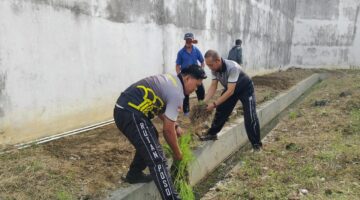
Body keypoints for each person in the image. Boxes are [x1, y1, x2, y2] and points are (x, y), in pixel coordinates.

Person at [113, 65, 207, 200]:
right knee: (157, 159)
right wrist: (177, 154)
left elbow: (159, 107)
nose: (195, 89)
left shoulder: (172, 80)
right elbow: (167, 131)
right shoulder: (177, 93)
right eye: (196, 85)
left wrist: (175, 126)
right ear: (187, 78)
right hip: (129, 113)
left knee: (151, 138)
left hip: (127, 109)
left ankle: (134, 174)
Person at [200, 50, 262, 151]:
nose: (210, 68)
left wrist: (214, 104)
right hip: (231, 88)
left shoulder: (232, 67)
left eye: (210, 65)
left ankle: (256, 145)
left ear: (218, 60)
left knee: (250, 116)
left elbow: (229, 92)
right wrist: (204, 102)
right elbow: (213, 86)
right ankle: (212, 134)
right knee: (221, 109)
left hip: (245, 89)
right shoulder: (214, 69)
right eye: (208, 65)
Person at [175, 32, 205, 115]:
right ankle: (186, 111)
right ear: (185, 41)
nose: (188, 42)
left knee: (201, 91)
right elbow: (177, 65)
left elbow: (202, 61)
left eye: (190, 40)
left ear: (192, 41)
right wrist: (179, 75)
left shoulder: (196, 51)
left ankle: (201, 107)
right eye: (187, 40)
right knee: (185, 94)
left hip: (195, 74)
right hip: (186, 75)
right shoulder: (181, 52)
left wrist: (200, 71)